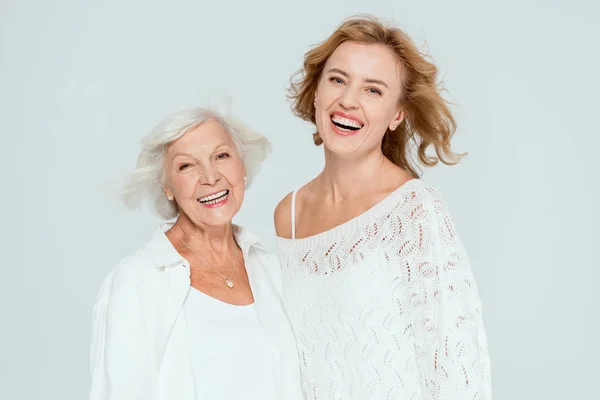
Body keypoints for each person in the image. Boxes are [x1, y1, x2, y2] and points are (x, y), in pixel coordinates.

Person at [275, 15, 492, 399]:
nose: (348, 100)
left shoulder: (415, 212)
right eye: (338, 79)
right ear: (317, 91)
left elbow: (460, 372)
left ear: (397, 115)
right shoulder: (289, 214)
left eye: (373, 90)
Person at [89, 105, 302, 400]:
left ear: (242, 164)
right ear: (167, 187)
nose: (210, 177)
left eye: (221, 156)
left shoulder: (274, 270)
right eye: (187, 165)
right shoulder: (135, 283)